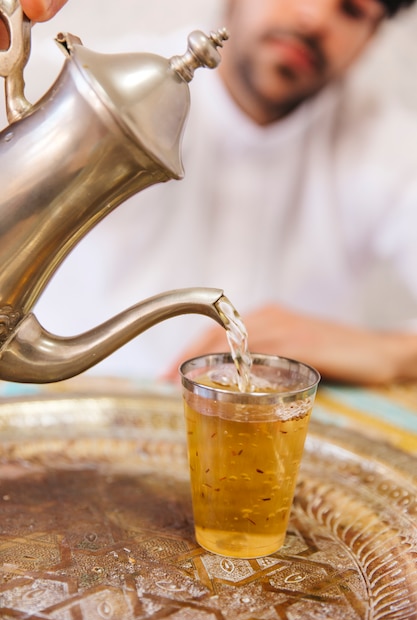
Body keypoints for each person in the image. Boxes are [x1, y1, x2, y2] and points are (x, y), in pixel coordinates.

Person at [17, 0, 417, 385]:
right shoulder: (87, 90)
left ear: (372, 34)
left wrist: (387, 352)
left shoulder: (387, 148)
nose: (313, 16)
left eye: (352, 9)